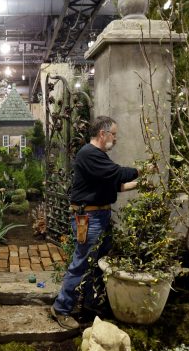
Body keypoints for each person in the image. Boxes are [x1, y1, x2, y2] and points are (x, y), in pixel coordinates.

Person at [51, 116, 139, 329]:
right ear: (103, 134)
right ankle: (61, 308)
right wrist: (141, 170)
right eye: (114, 134)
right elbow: (117, 174)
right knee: (81, 263)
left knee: (99, 263)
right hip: (88, 219)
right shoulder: (89, 154)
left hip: (100, 217)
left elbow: (114, 185)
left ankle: (89, 304)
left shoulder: (99, 157)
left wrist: (140, 184)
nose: (115, 139)